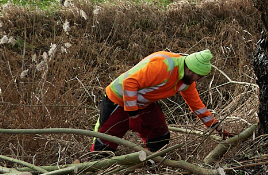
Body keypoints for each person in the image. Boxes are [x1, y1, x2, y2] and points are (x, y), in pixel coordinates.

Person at [90, 49, 234, 153]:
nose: (200, 80)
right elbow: (129, 84)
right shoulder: (163, 66)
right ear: (190, 70)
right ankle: (92, 172)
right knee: (106, 141)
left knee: (160, 135)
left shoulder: (187, 80)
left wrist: (217, 128)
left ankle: (151, 162)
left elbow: (197, 106)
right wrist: (133, 115)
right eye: (200, 76)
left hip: (144, 103)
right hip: (119, 99)